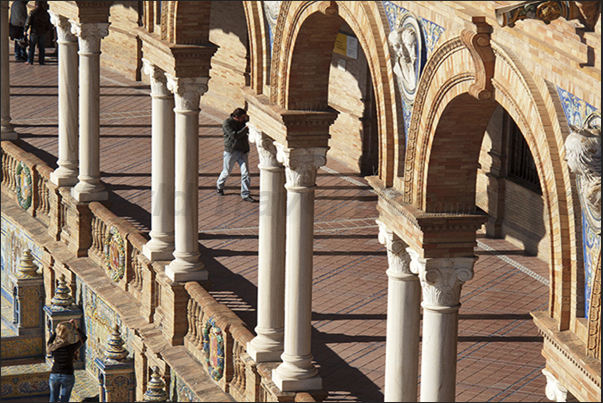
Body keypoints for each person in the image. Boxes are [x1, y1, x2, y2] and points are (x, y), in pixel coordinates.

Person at [216, 108, 257, 202]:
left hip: (243, 151)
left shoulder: (243, 121)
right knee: (227, 171)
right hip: (232, 151)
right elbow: (234, 136)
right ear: (236, 117)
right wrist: (245, 129)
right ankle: (219, 186)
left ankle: (245, 194)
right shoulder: (227, 123)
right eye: (242, 118)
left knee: (245, 173)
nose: (244, 119)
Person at [47, 319, 87, 402]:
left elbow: (49, 342)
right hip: (67, 375)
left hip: (54, 375)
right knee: (64, 400)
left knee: (53, 399)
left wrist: (55, 331)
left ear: (58, 336)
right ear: (67, 336)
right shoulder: (71, 348)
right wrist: (76, 327)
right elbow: (83, 338)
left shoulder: (53, 348)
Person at [23, 1, 53, 66]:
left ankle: (30, 60)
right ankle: (41, 61)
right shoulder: (45, 13)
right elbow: (49, 22)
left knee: (32, 47)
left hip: (34, 31)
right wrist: (46, 30)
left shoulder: (33, 12)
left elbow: (28, 22)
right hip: (42, 31)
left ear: (35, 4)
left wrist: (25, 30)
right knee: (42, 47)